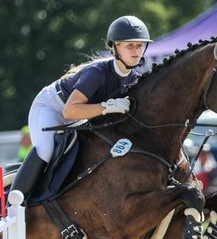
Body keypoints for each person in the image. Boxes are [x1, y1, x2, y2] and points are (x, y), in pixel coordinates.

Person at [14, 15, 153, 200]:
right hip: (51, 107)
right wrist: (107, 107)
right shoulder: (97, 73)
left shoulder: (134, 79)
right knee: (46, 151)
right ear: (115, 47)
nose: (136, 51)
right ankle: (15, 204)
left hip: (80, 115)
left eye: (140, 45)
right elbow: (69, 111)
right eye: (130, 45)